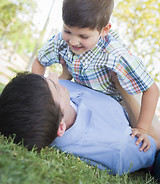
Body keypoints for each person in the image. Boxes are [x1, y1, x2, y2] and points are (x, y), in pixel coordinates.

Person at [32, 0, 159, 151]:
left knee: (150, 141)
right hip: (85, 97)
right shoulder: (60, 41)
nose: (73, 41)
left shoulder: (114, 54)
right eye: (68, 30)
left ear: (104, 30)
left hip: (118, 103)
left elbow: (151, 89)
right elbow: (40, 61)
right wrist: (38, 90)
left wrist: (142, 128)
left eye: (83, 36)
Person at [0, 72, 160, 176]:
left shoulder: (55, 106)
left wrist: (65, 73)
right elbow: (155, 142)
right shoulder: (118, 147)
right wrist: (122, 87)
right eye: (55, 86)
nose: (55, 75)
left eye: (48, 79)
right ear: (61, 127)